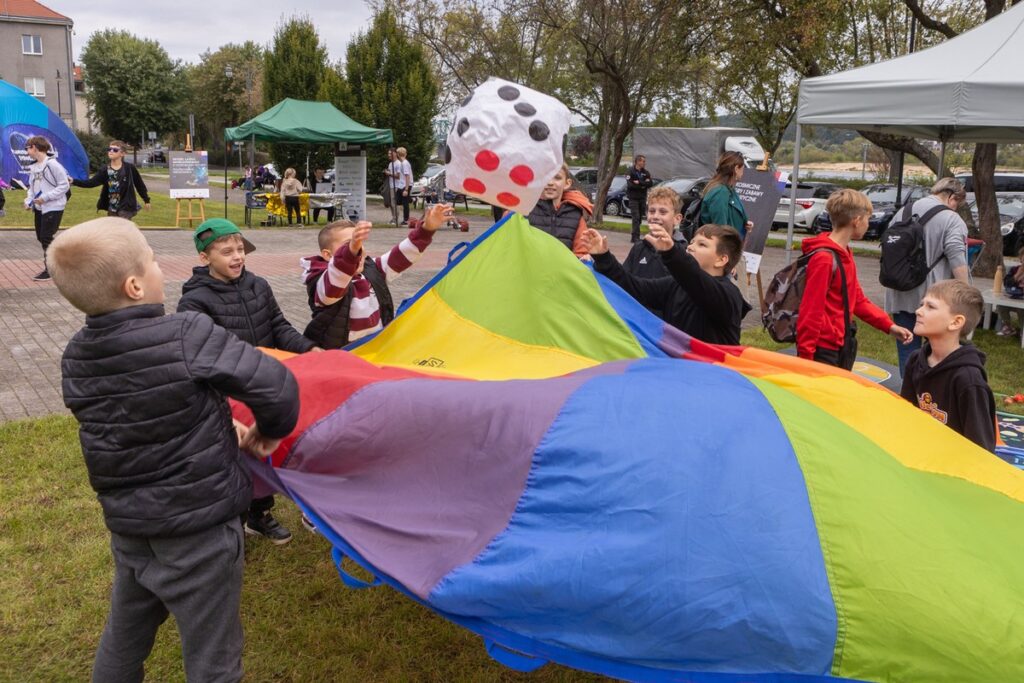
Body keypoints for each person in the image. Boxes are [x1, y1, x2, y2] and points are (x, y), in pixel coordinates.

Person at [47, 217, 299, 682]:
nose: (162, 268)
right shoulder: (184, 332)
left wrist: (220, 422)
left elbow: (152, 412)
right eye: (153, 260)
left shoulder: (76, 356)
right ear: (136, 285)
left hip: (132, 528)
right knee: (213, 654)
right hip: (199, 528)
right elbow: (277, 386)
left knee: (124, 636)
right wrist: (266, 434)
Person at [177, 218, 317, 544]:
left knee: (264, 450)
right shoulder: (194, 301)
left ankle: (259, 513)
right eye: (227, 251)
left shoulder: (258, 285)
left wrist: (309, 350)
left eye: (240, 249)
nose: (237, 256)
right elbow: (203, 354)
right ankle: (233, 525)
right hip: (230, 392)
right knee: (237, 458)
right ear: (204, 258)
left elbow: (279, 327)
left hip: (264, 384)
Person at [301, 203, 453, 349]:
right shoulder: (323, 281)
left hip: (374, 349)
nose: (358, 248)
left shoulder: (371, 269)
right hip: (340, 355)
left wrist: (427, 229)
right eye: (349, 244)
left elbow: (400, 256)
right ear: (327, 255)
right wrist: (350, 252)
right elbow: (337, 278)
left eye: (360, 243)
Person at [585, 217, 751, 345]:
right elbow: (635, 288)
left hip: (713, 379)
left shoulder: (729, 295)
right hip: (677, 373)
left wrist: (672, 253)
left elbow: (698, 283)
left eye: (702, 244)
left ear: (721, 260)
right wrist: (603, 257)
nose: (691, 247)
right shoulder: (674, 285)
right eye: (692, 242)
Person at [797, 189, 913, 369]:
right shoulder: (825, 259)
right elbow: (811, 311)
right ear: (857, 221)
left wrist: (889, 326)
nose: (868, 224)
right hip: (823, 350)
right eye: (867, 218)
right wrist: (805, 358)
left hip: (842, 344)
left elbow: (857, 300)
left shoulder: (844, 254)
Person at [883, 177, 970, 376]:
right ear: (952, 197)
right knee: (938, 353)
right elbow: (957, 258)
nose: (956, 208)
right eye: (958, 203)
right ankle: (930, 396)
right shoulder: (951, 219)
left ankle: (908, 395)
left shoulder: (902, 212)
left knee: (907, 350)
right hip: (933, 298)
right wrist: (965, 294)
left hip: (900, 290)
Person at [900, 280, 996, 452]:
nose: (918, 311)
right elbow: (905, 415)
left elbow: (981, 447)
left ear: (955, 322)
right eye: (922, 304)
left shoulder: (968, 378)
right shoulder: (916, 360)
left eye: (930, 307)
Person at [622, 186, 685, 318]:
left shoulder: (684, 252)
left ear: (677, 218)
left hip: (666, 326)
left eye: (663, 212)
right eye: (652, 211)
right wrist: (598, 262)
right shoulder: (639, 248)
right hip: (636, 320)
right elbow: (623, 281)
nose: (655, 216)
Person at [22, 135, 69, 281]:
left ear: (34, 147)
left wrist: (46, 197)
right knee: (41, 237)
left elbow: (64, 185)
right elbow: (32, 186)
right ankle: (61, 261)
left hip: (53, 206)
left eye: (27, 148)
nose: (26, 151)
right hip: (39, 207)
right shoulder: (34, 166)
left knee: (46, 237)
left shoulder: (52, 165)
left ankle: (51, 269)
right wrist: (29, 200)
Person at [71, 140, 151, 220]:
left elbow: (139, 184)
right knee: (113, 229)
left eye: (115, 150)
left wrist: (146, 200)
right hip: (112, 207)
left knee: (121, 228)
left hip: (126, 207)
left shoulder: (129, 168)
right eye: (109, 149)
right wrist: (74, 181)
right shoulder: (105, 170)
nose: (111, 151)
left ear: (122, 154)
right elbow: (91, 183)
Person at [526, 163, 592, 259]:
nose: (550, 182)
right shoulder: (525, 210)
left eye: (557, 178)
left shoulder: (575, 215)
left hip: (562, 273)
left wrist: (584, 258)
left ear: (567, 183)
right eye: (546, 177)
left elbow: (581, 252)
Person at [699, 151, 753, 242]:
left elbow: (732, 216)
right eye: (742, 169)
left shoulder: (729, 189)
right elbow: (720, 228)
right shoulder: (720, 191)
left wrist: (745, 223)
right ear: (736, 169)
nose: (743, 173)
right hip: (724, 247)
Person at [996, 245, 1024, 336]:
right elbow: (1007, 283)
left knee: (1021, 309)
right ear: (1021, 259)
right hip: (1014, 298)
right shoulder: (1015, 269)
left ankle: (1022, 331)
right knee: (1001, 305)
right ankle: (1008, 326)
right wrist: (1017, 275)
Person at [626, 155, 654, 243]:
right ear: (638, 162)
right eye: (643, 161)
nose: (644, 163)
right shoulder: (630, 171)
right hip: (633, 198)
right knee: (636, 217)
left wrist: (639, 182)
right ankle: (635, 237)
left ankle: (635, 235)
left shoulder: (646, 172)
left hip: (642, 198)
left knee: (640, 218)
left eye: (644, 161)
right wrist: (643, 184)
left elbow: (650, 183)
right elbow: (630, 185)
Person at [387, 147, 414, 225]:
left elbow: (407, 176)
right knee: (397, 200)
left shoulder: (405, 163)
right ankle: (411, 199)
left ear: (398, 154)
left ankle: (406, 219)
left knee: (405, 203)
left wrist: (406, 189)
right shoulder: (402, 163)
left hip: (405, 185)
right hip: (401, 185)